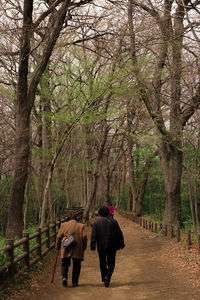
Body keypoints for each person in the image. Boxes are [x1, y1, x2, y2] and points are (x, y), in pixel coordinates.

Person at [90, 206, 125, 287]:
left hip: (101, 246)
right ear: (108, 213)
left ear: (100, 213)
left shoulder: (96, 222)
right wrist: (121, 244)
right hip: (112, 245)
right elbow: (119, 233)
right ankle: (107, 277)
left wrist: (93, 246)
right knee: (111, 262)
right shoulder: (114, 221)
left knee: (102, 262)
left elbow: (93, 236)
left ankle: (104, 277)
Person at [56, 216, 87, 287]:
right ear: (76, 220)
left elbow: (58, 237)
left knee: (64, 263)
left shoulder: (63, 225)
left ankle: (64, 278)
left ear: (69, 220)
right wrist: (83, 247)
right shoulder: (81, 226)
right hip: (78, 247)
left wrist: (57, 247)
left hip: (66, 246)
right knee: (77, 264)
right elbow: (84, 237)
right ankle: (74, 282)